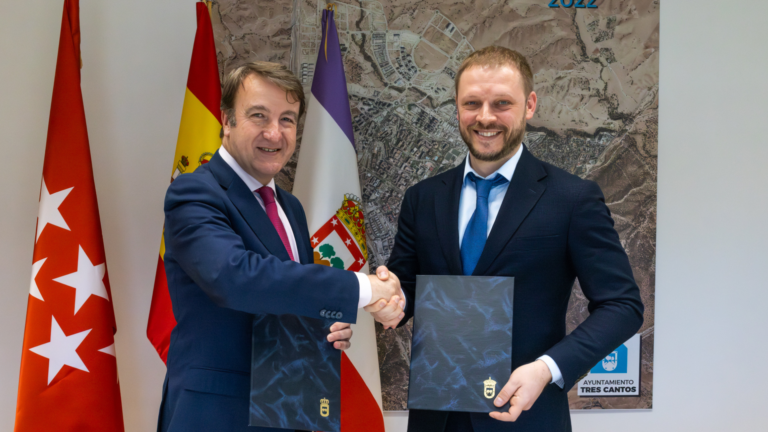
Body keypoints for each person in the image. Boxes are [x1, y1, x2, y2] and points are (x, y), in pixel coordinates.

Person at [373, 46, 644, 431]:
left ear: (529, 105)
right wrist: (387, 301)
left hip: (526, 417)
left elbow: (622, 306)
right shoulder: (423, 198)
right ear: (456, 108)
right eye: (472, 103)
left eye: (502, 103)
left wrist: (547, 369)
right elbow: (408, 291)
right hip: (436, 417)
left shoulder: (572, 199)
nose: (485, 117)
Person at [156, 62, 403, 432]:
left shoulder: (290, 207)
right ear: (227, 120)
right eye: (259, 115)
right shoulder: (193, 193)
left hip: (287, 410)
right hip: (217, 416)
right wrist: (363, 289)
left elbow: (285, 295)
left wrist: (323, 324)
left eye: (287, 119)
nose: (274, 132)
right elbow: (236, 278)